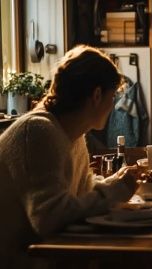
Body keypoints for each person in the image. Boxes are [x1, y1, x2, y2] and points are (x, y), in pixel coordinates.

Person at [0, 45, 138, 268]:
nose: (112, 105)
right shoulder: (37, 131)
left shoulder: (71, 134)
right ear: (96, 95)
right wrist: (117, 191)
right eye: (112, 97)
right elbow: (49, 218)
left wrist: (115, 182)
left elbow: (81, 194)